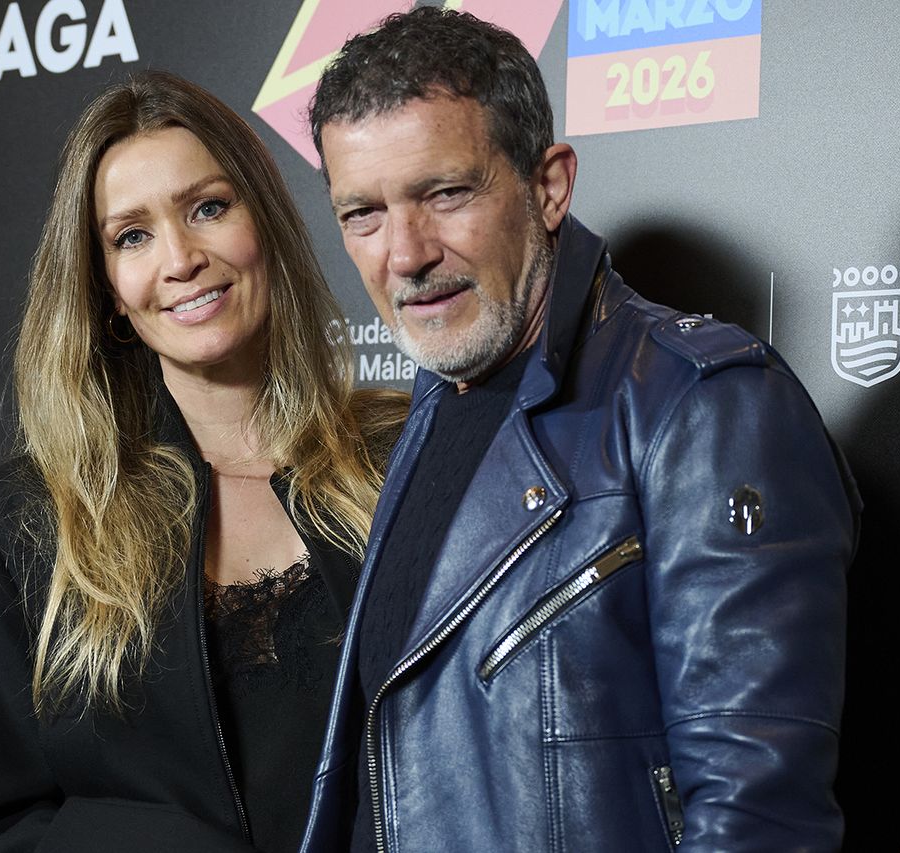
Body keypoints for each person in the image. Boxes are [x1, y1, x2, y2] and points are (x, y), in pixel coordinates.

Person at [298, 8, 862, 853]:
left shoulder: (703, 405)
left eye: (444, 193)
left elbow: (759, 820)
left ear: (550, 185)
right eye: (362, 213)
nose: (404, 253)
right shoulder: (431, 403)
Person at [0, 71, 406, 853]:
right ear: (108, 287)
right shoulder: (21, 525)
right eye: (132, 236)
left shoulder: (407, 455)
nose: (180, 259)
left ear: (265, 222)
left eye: (208, 208)